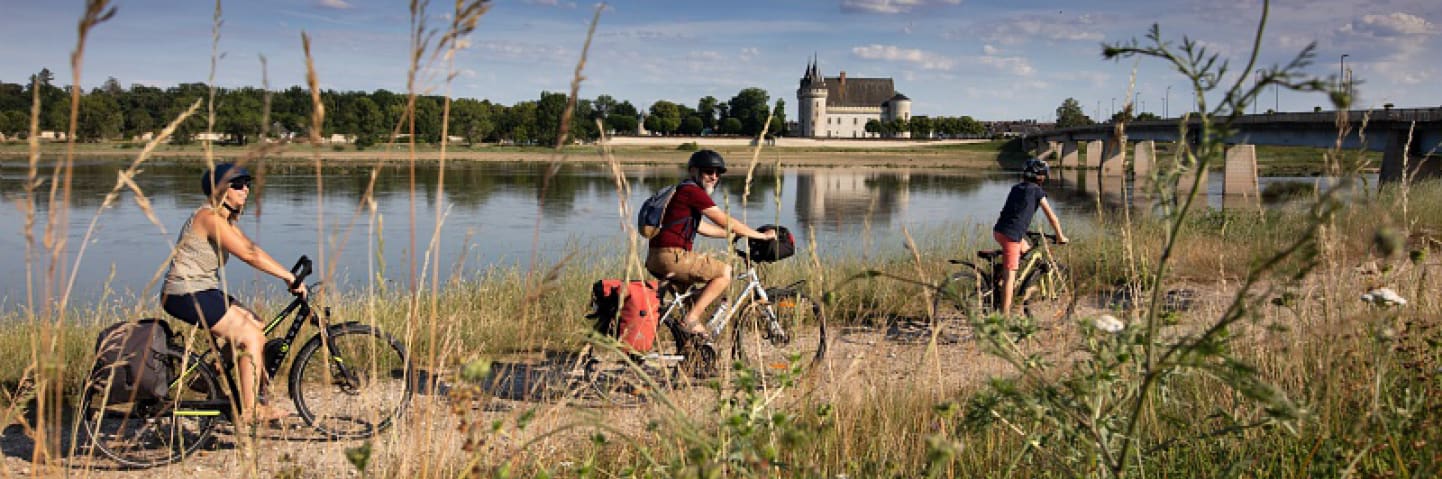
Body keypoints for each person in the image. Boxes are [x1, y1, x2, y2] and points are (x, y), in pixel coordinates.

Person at [160, 162, 306, 425]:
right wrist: (288, 277)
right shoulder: (209, 218)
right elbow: (249, 255)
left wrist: (287, 273)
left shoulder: (224, 220)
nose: (245, 190)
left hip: (203, 289)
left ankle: (206, 376)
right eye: (238, 185)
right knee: (248, 336)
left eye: (247, 184)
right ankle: (251, 411)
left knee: (257, 324)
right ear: (220, 191)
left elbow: (252, 248)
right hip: (184, 293)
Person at [646, 150, 776, 341]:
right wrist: (761, 236)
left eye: (718, 173)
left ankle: (694, 350)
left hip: (658, 257)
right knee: (724, 273)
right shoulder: (692, 192)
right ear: (693, 171)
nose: (714, 177)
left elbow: (702, 227)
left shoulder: (681, 191)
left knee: (692, 299)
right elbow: (722, 219)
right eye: (708, 171)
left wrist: (733, 233)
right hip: (672, 257)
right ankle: (691, 320)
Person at [993, 158, 1069, 316]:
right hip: (1012, 236)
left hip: (1000, 231)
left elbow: (1015, 211)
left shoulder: (1016, 188)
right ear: (1041, 177)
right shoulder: (1036, 191)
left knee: (1027, 250)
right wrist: (1060, 236)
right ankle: (1004, 317)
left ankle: (999, 280)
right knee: (1010, 277)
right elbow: (1052, 217)